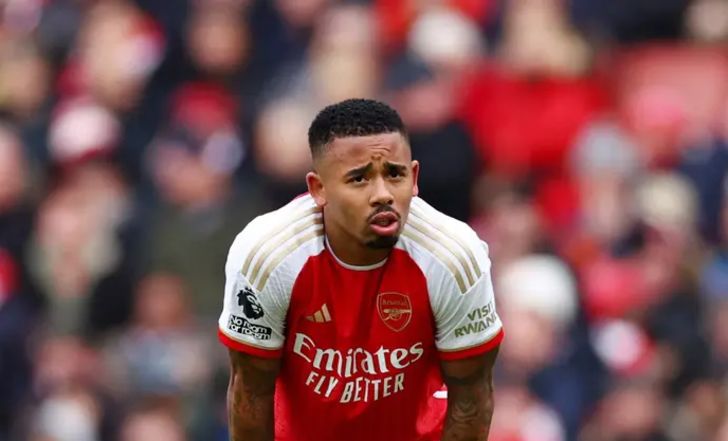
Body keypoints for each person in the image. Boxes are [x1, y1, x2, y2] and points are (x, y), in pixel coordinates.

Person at [217, 98, 504, 441]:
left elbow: (472, 396)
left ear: (414, 178)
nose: (383, 194)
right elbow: (250, 392)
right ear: (318, 189)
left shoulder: (454, 257)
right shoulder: (266, 257)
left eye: (394, 174)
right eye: (359, 179)